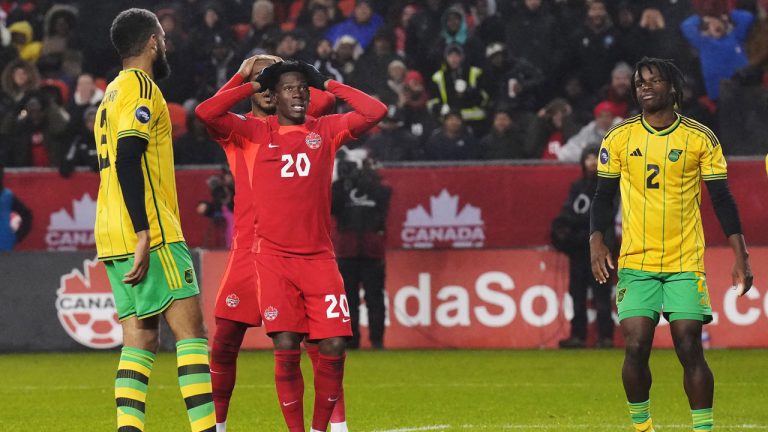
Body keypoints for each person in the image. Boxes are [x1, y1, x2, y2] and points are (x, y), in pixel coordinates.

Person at [196, 60, 385, 432]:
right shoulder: (243, 131)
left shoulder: (309, 121)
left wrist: (312, 80)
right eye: (267, 81)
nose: (276, 88)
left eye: (286, 83)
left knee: (323, 344)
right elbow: (209, 111)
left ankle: (338, 425)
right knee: (227, 340)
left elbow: (334, 104)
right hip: (254, 252)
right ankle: (217, 425)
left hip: (305, 249)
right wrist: (245, 76)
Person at [590, 57, 753, 432]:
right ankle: (643, 428)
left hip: (684, 261)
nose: (644, 87)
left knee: (688, 345)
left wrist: (740, 256)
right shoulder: (619, 137)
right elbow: (601, 197)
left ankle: (703, 429)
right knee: (635, 345)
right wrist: (596, 240)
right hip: (636, 260)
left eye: (653, 80)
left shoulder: (699, 138)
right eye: (639, 82)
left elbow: (722, 200)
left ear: (673, 89)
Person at [94, 9, 216, 432]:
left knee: (141, 340)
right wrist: (145, 230)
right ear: (152, 41)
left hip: (110, 233)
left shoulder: (109, 95)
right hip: (149, 230)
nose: (164, 44)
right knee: (193, 333)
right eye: (162, 37)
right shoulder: (143, 89)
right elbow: (129, 155)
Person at [551, 146, 615, 348]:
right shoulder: (577, 187)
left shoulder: (610, 187)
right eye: (588, 158)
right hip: (579, 250)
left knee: (601, 295)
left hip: (600, 249)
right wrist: (563, 231)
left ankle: (606, 337)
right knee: (577, 294)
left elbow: (608, 217)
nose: (592, 162)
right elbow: (568, 213)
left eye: (595, 157)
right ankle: (578, 336)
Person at [332, 156, 391, 349]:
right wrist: (343, 182)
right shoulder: (341, 189)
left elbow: (384, 199)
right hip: (348, 251)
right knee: (348, 299)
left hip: (371, 251)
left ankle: (377, 340)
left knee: (375, 297)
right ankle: (352, 339)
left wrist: (367, 182)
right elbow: (332, 206)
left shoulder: (380, 190)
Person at [0, 162, 32, 251]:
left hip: (4, 246)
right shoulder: (7, 196)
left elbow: (27, 215)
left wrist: (16, 236)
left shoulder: (7, 196)